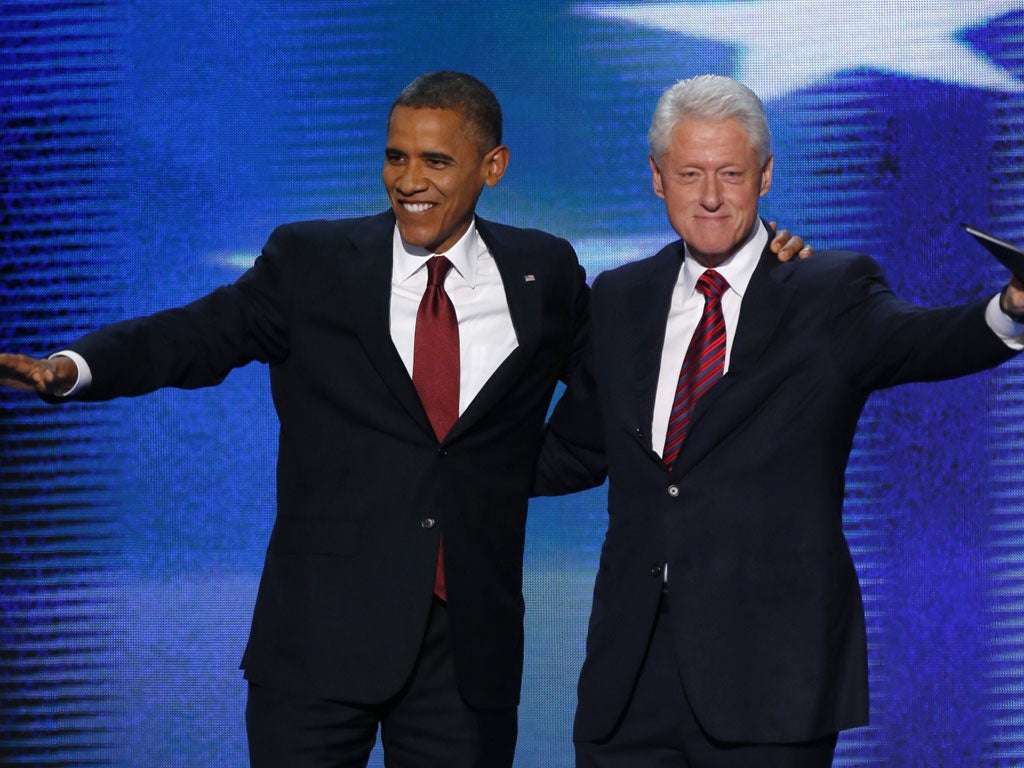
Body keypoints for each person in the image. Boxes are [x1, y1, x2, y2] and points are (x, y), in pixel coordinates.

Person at [0, 71, 808, 767]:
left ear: (493, 167)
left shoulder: (544, 272)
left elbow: (619, 396)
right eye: (396, 156)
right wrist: (74, 368)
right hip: (316, 647)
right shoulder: (312, 262)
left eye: (436, 160)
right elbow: (194, 336)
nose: (408, 179)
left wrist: (756, 271)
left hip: (467, 656)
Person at [534, 74, 1024, 768]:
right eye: (690, 173)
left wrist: (1009, 308)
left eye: (731, 174)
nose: (710, 196)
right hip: (630, 682)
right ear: (656, 179)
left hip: (768, 680)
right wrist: (434, 461)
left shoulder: (829, 290)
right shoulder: (619, 298)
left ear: (765, 176)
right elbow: (578, 447)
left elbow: (925, 340)